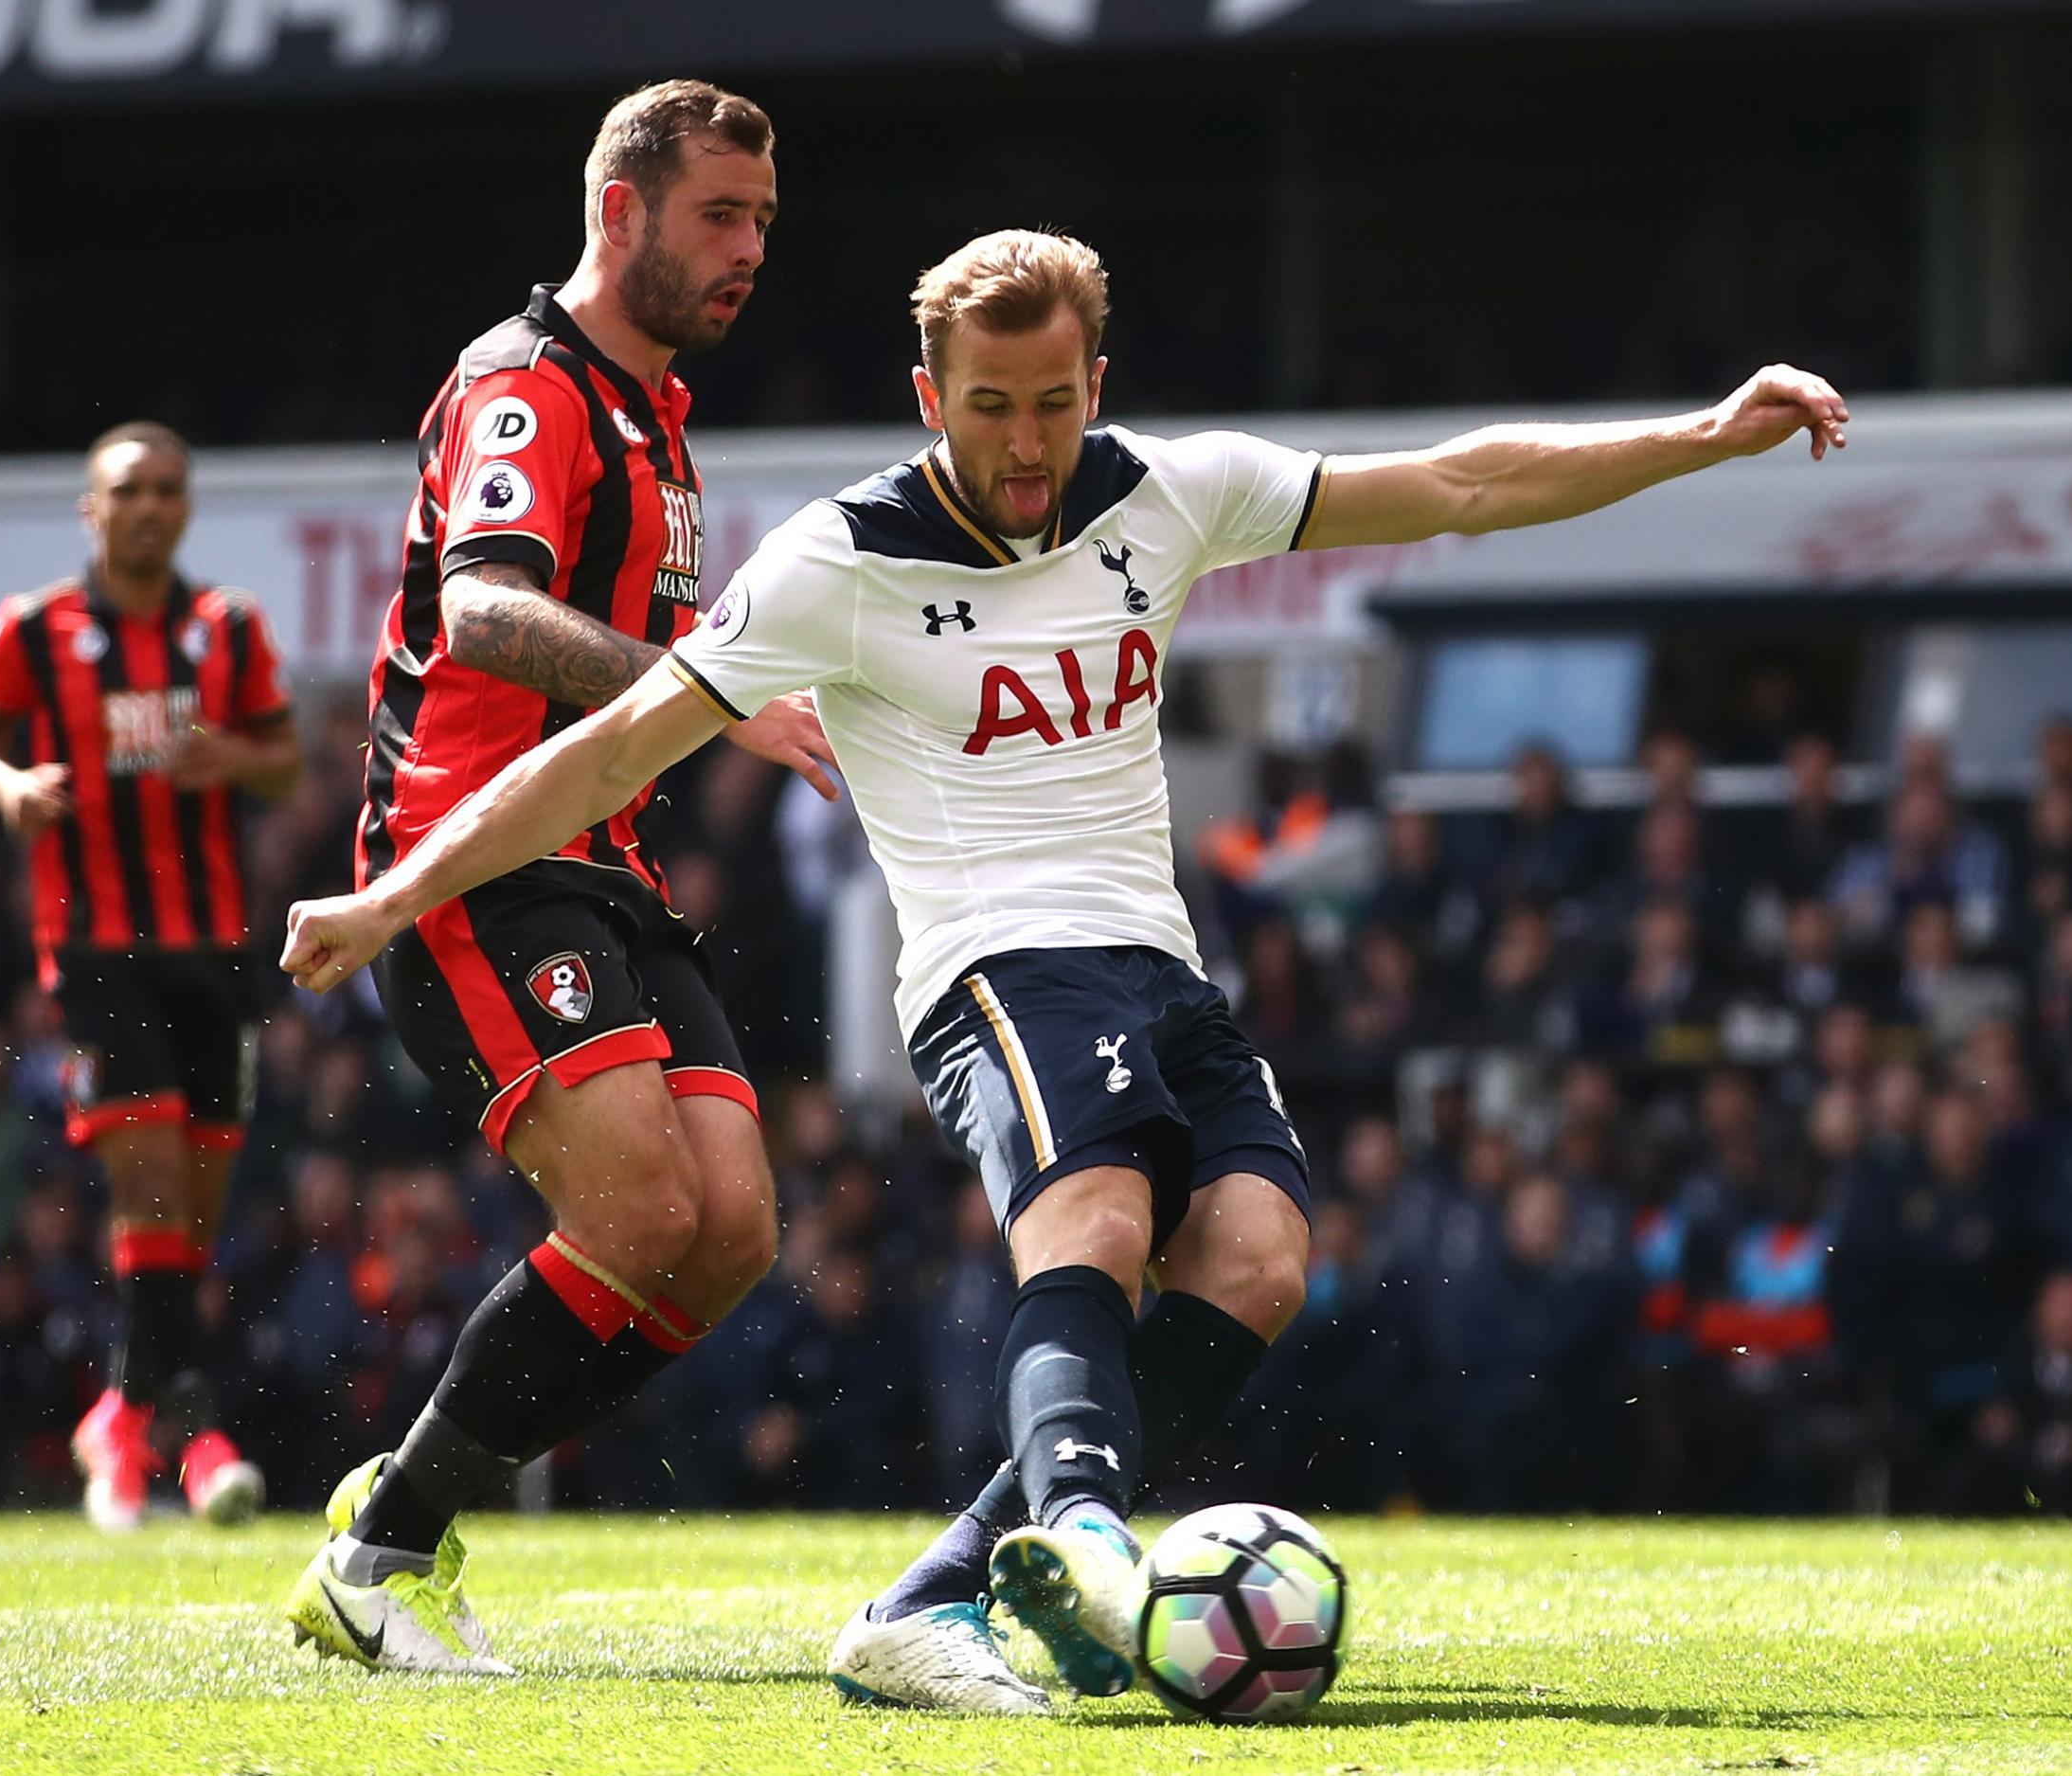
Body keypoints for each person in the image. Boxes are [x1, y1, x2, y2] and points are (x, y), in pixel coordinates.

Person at [280, 228, 1849, 1707]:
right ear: (929, 398)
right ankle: (1090, 1540)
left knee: (1254, 1263)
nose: (1024, 447)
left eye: (1050, 404)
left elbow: (1456, 484)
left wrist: (1706, 434)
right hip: (995, 968)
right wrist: (392, 896)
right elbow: (605, 751)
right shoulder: (841, 560)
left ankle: (937, 1598)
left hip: (1158, 964)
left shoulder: (1169, 493)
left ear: (1094, 382)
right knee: (1090, 1228)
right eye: (988, 410)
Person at [280, 79, 835, 1677]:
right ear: (618, 210)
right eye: (719, 215)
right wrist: (703, 684)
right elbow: (485, 616)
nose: (748, 252)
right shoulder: (527, 383)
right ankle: (386, 1559)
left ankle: (405, 1499)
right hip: (474, 862)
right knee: (641, 1202)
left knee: (726, 1231)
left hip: (605, 868)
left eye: (763, 223)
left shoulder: (659, 418)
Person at [0, 421, 300, 1530]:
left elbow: (286, 769)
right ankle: (194, 1433)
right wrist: (8, 788)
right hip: (98, 950)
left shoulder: (226, 629)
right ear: (92, 510)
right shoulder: (34, 632)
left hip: (217, 955)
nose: (148, 507)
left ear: (185, 510)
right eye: (127, 491)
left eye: (166, 491)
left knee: (187, 1224)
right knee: (147, 1189)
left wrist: (234, 759)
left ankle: (127, 1417)